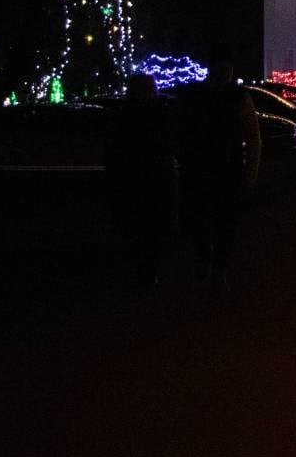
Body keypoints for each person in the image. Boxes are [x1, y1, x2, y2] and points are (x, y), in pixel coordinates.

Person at [178, 61, 261, 291]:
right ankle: (218, 268)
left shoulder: (195, 95)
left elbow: (183, 133)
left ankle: (207, 262)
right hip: (225, 168)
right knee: (224, 223)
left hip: (202, 168)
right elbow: (253, 137)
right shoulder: (237, 97)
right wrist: (250, 172)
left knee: (204, 220)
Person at [106, 73, 178, 288]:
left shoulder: (122, 115)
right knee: (153, 228)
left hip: (133, 177)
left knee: (137, 226)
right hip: (155, 176)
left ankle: (141, 270)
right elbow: (170, 143)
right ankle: (150, 271)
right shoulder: (161, 113)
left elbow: (114, 149)